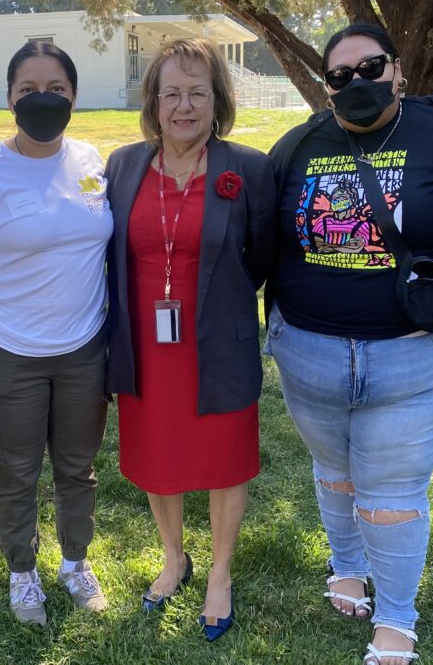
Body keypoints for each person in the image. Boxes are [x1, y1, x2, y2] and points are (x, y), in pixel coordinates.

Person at [266, 23, 433, 664]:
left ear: (398, 70)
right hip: (309, 355)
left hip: (411, 354)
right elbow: (269, 234)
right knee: (335, 474)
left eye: (370, 66)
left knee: (391, 495)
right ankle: (346, 563)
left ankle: (397, 618)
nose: (357, 82)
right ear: (326, 87)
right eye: (340, 75)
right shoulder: (297, 145)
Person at [104, 37, 277, 642]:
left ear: (217, 100)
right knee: (158, 455)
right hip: (146, 344)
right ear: (153, 101)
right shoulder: (123, 165)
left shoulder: (248, 170)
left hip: (218, 339)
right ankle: (174, 557)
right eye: (171, 93)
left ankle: (220, 572)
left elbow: (263, 258)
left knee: (225, 459)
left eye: (197, 93)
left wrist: (223, 304)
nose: (183, 106)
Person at [0, 41, 112, 627]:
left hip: (84, 347)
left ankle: (74, 563)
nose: (43, 99)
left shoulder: (92, 161)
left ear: (73, 96)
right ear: (10, 97)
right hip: (5, 349)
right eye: (29, 90)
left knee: (77, 465)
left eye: (56, 89)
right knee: (16, 470)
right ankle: (22, 573)